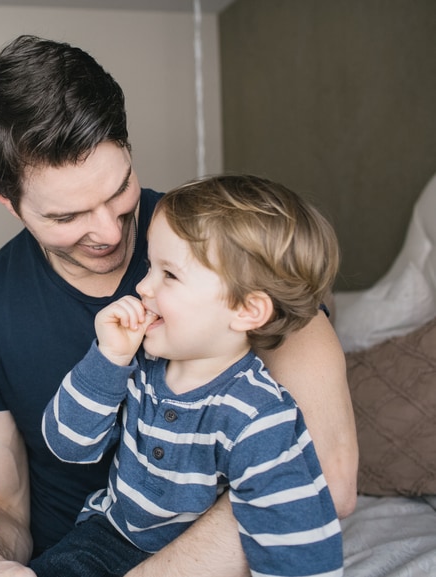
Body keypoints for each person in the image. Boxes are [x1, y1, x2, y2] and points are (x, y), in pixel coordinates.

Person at [0, 35, 358, 576]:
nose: (107, 231)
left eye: (119, 189)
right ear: (9, 204)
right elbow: (7, 510)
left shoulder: (230, 246)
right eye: (67, 216)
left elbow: (326, 477)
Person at [33, 174, 343, 577]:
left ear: (247, 310)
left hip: (198, 561)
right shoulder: (139, 365)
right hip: (107, 539)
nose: (143, 286)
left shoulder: (259, 415)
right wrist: (108, 359)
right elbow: (68, 444)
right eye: (149, 267)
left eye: (170, 275)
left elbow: (297, 547)